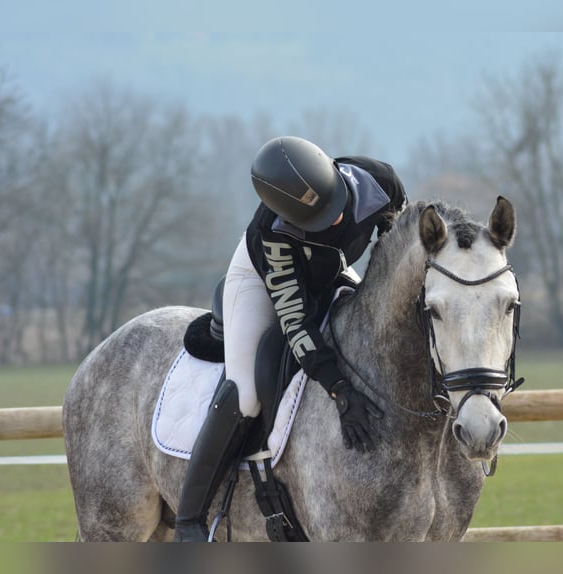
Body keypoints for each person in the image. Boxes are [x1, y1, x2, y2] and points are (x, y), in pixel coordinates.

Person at [174, 135, 408, 542]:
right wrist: (339, 389)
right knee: (246, 393)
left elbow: (397, 255)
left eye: (335, 208)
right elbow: (297, 327)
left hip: (329, 265)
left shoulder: (381, 181)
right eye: (319, 220)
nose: (335, 221)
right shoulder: (273, 235)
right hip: (261, 281)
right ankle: (189, 522)